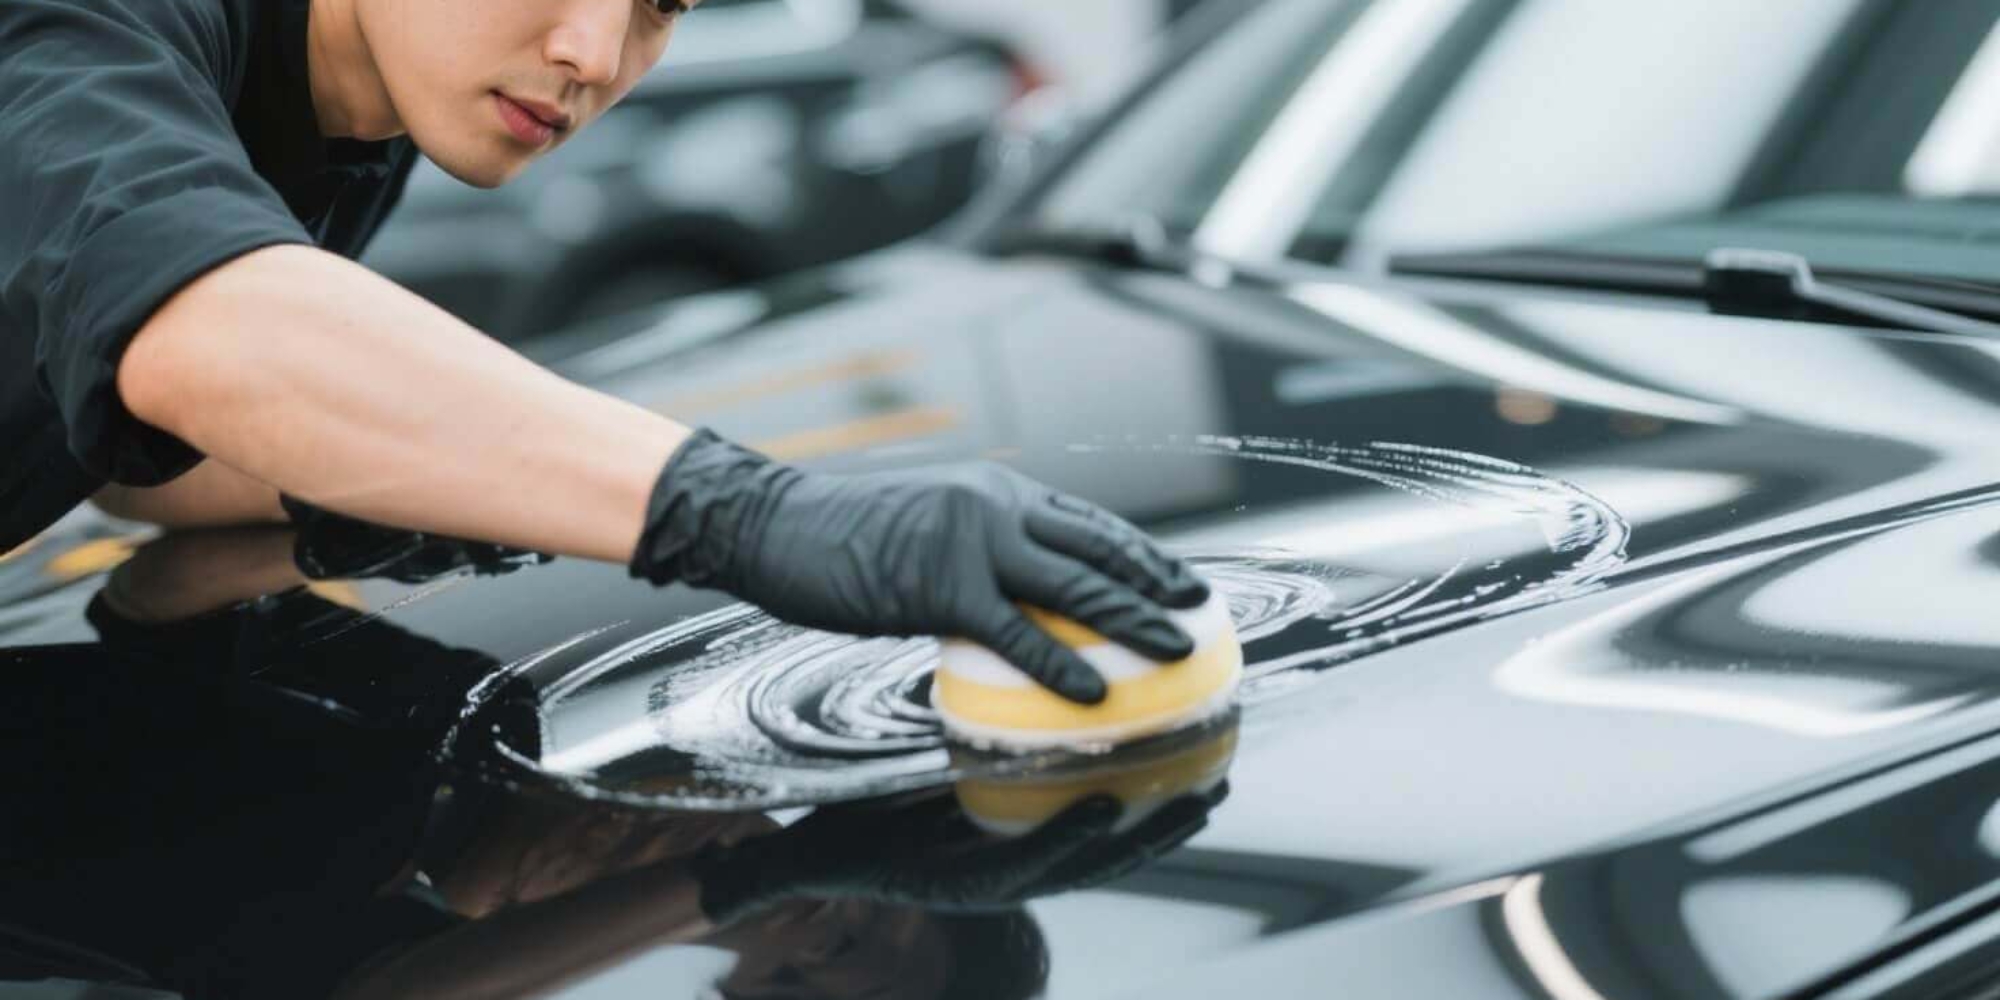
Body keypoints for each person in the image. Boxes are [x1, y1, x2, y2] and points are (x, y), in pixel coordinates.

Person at [0, 0, 1210, 707]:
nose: (592, 51)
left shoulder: (353, 117)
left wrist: (425, 472)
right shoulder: (69, 30)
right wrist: (736, 513)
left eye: (659, 5)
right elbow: (188, 326)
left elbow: (123, 435)